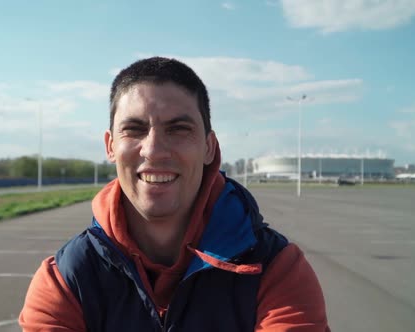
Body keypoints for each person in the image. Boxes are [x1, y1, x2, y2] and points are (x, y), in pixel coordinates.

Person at [19, 57, 329, 331]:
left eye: (178, 129)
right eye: (135, 129)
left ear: (209, 147)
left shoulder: (277, 270)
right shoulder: (65, 280)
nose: (154, 150)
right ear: (111, 146)